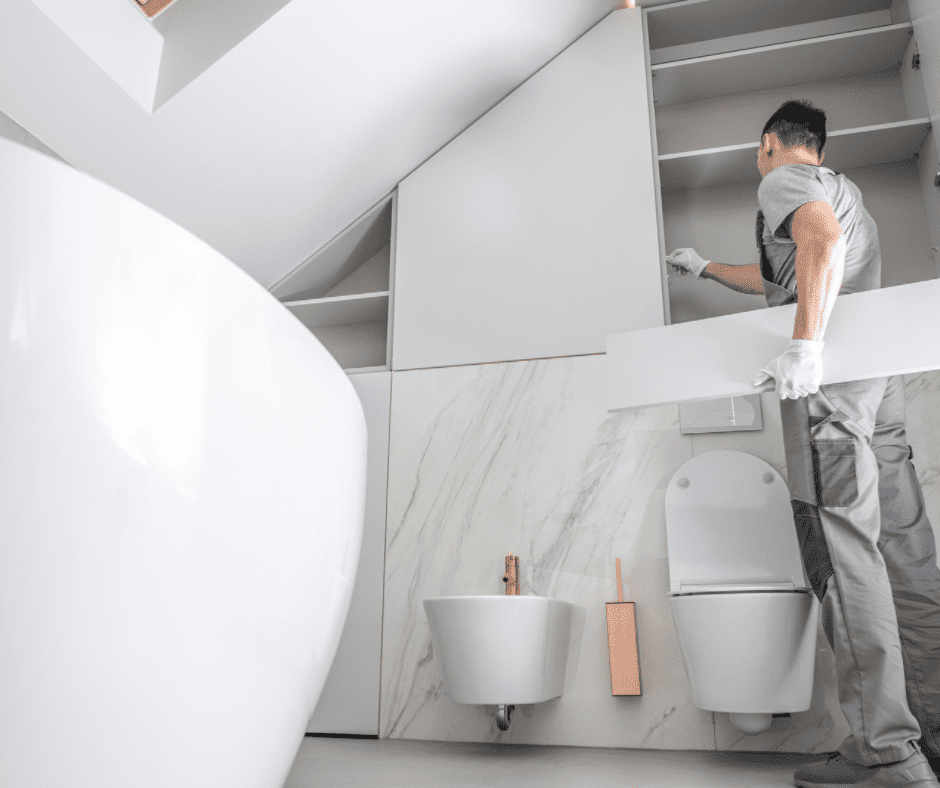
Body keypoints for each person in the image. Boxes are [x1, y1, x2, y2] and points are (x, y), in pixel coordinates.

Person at [666, 99, 940, 788]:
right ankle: (932, 733)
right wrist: (703, 268)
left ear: (770, 144)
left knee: (840, 549)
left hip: (833, 389)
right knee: (904, 553)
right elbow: (780, 273)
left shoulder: (783, 181)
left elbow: (817, 242)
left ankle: (886, 751)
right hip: (879, 384)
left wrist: (804, 346)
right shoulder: (849, 194)